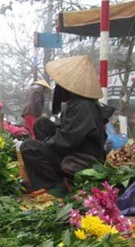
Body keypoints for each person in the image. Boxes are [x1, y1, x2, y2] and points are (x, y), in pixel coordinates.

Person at [20, 55, 114, 194]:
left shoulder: (83, 106)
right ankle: (47, 173)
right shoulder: (77, 103)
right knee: (42, 124)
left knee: (28, 147)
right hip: (74, 149)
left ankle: (55, 186)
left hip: (83, 159)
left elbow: (68, 140)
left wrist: (47, 143)